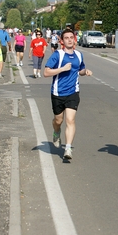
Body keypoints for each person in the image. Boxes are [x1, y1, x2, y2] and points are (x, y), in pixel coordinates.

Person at [43, 28, 93, 159]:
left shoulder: (79, 55)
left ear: (74, 39)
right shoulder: (57, 55)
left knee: (70, 120)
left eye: (71, 37)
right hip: (58, 93)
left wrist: (85, 72)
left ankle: (68, 149)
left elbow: (80, 69)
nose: (70, 40)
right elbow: (46, 73)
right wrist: (62, 69)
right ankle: (56, 131)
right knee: (58, 120)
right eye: (67, 38)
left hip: (73, 92)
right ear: (62, 41)